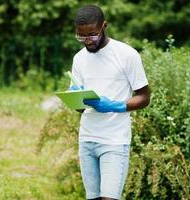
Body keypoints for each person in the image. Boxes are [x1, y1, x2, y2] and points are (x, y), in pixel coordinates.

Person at [69, 5, 150, 200]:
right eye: (82, 36)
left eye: (92, 35)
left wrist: (115, 105)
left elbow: (144, 97)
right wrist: (75, 99)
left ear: (104, 26)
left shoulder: (126, 54)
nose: (87, 41)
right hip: (87, 138)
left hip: (114, 140)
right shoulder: (79, 59)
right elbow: (80, 108)